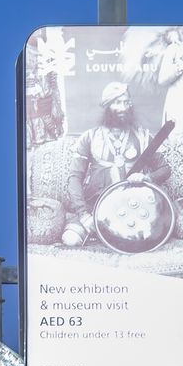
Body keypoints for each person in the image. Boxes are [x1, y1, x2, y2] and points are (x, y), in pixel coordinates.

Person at [60, 82, 171, 248]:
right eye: (117, 103)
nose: (123, 107)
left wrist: (147, 177)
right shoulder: (89, 137)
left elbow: (165, 169)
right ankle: (101, 232)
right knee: (71, 239)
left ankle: (113, 236)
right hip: (95, 207)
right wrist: (83, 214)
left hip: (133, 207)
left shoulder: (142, 136)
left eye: (126, 102)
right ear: (107, 106)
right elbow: (74, 178)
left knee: (144, 240)